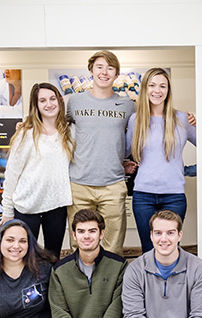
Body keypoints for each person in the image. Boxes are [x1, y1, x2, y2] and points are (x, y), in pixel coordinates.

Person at [66, 50, 136, 256]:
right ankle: (80, 287)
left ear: (116, 74)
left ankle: (110, 287)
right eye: (100, 67)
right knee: (79, 245)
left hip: (113, 185)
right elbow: (50, 121)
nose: (104, 72)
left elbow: (143, 129)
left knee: (112, 247)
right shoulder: (74, 101)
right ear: (91, 70)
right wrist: (25, 124)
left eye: (110, 68)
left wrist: (187, 117)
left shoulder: (128, 105)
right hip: (78, 183)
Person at [126, 68, 197, 253]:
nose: (157, 90)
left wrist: (189, 170)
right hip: (143, 195)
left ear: (168, 90)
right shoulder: (135, 120)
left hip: (174, 195)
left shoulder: (182, 118)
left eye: (162, 86)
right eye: (152, 85)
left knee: (171, 249)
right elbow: (124, 152)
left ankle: (173, 283)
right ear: (145, 88)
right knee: (149, 250)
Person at [0, 82, 73, 256]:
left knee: (53, 256)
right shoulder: (26, 133)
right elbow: (11, 174)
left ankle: (49, 285)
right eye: (42, 100)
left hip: (57, 205)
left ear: (60, 100)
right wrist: (7, 211)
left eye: (52, 99)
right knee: (24, 256)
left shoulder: (70, 131)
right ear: (36, 105)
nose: (49, 104)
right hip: (26, 205)